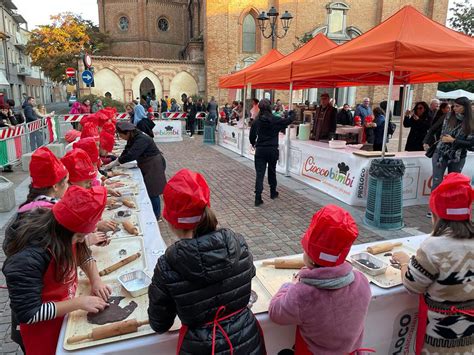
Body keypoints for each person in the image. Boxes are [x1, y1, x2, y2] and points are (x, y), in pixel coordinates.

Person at [148, 169, 266, 354]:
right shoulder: (238, 244)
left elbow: (160, 323)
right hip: (247, 340)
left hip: (200, 347)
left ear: (171, 221)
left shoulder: (168, 266)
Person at [2, 185, 110, 355]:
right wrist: (78, 303)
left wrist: (96, 280)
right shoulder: (29, 258)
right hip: (42, 330)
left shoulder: (65, 233)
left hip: (66, 316)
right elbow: (29, 312)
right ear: (64, 231)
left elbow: (83, 253)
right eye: (80, 236)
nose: (82, 240)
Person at [269, 205, 371, 354]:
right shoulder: (361, 281)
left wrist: (290, 286)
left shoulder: (302, 294)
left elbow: (275, 312)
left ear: (309, 256)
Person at [392, 173, 474, 355]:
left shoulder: (432, 247)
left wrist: (405, 262)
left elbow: (412, 285)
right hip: (469, 332)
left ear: (436, 215)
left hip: (440, 336)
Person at [103, 121, 166, 218]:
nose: (121, 138)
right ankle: (153, 213)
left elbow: (131, 155)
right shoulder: (133, 136)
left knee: (153, 191)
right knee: (148, 189)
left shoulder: (141, 139)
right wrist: (116, 161)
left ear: (127, 132)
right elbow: (127, 150)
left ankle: (156, 216)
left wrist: (116, 162)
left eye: (120, 135)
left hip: (153, 164)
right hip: (146, 163)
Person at [249, 99, 294, 206]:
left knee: (260, 174)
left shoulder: (257, 121)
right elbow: (288, 121)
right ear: (269, 107)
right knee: (272, 171)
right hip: (272, 149)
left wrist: (254, 143)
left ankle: (258, 197)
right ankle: (273, 192)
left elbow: (252, 136)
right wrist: (292, 114)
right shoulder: (275, 119)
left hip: (261, 150)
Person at [429, 96, 473, 192]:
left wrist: (453, 141)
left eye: (457, 106)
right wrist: (426, 142)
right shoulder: (448, 116)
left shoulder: (471, 122)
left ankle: (449, 205)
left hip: (458, 156)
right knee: (437, 182)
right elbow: (433, 128)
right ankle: (435, 206)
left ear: (465, 107)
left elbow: (471, 145)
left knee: (453, 183)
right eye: (453, 106)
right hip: (440, 153)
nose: (454, 108)